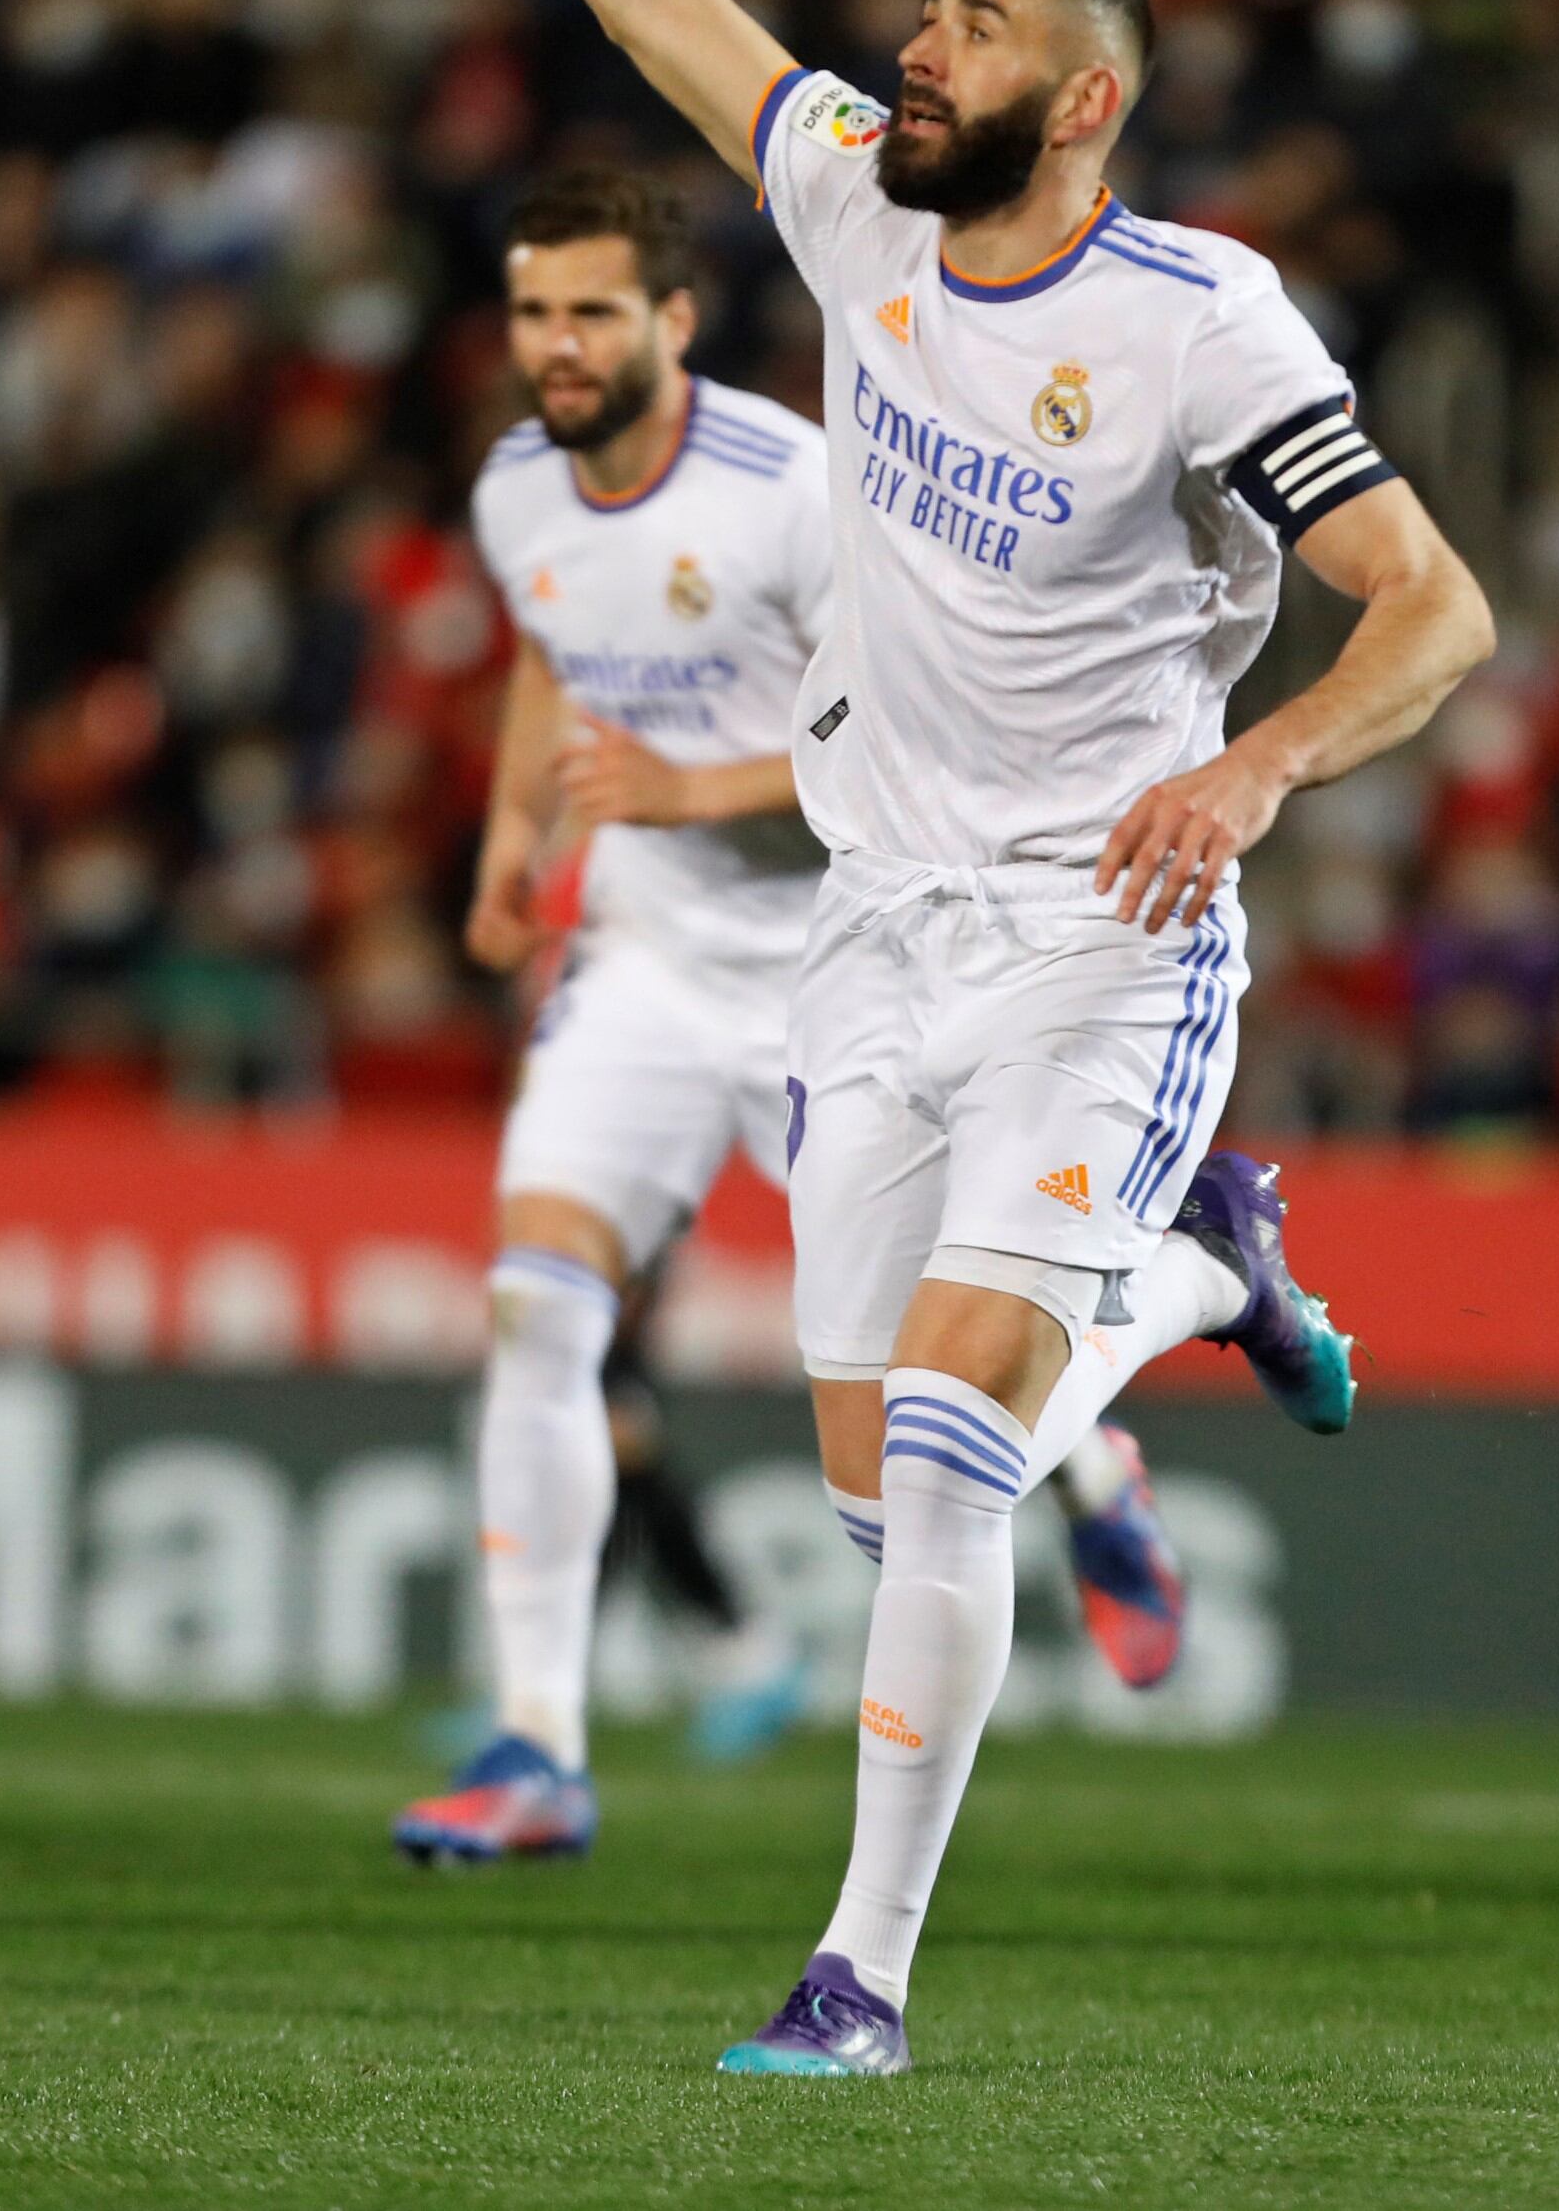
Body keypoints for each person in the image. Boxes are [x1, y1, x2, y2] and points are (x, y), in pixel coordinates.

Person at [340, 0, 1496, 2074]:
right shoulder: (857, 214)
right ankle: (1216, 1272)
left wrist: (1270, 763)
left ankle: (856, 1972)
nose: (909, 45)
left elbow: (1433, 603)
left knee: (958, 1449)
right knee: (882, 1491)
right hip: (876, 934)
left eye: (965, 22)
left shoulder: (1205, 326)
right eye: (922, 10)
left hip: (1105, 932)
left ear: (1079, 96)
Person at [392, 170, 1198, 1868]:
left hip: (841, 963)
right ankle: (539, 1741)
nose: (557, 343)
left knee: (927, 1396)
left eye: (593, 311)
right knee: (540, 1308)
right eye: (535, 310)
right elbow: (554, 648)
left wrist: (690, 789)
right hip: (644, 961)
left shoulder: (790, 490)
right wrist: (513, 839)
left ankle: (1094, 1471)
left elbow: (911, 719)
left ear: (673, 322)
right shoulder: (516, 488)